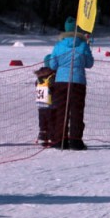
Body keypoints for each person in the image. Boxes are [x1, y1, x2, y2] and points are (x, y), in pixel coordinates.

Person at [47, 17, 95, 150]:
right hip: (78, 81)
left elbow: (52, 64)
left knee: (61, 110)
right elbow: (89, 64)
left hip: (61, 81)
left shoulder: (58, 46)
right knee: (76, 111)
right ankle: (75, 141)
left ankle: (60, 140)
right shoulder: (83, 45)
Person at [34, 60, 55, 147]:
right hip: (50, 105)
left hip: (41, 105)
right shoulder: (51, 78)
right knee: (51, 122)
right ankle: (51, 138)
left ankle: (43, 138)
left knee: (43, 122)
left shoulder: (39, 79)